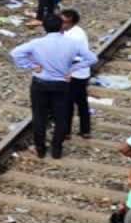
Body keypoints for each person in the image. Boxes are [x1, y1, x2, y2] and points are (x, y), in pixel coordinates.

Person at [9, 15, 98, 159]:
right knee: (61, 117)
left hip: (40, 83)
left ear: (44, 27)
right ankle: (57, 149)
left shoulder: (37, 43)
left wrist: (31, 66)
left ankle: (40, 149)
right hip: (61, 84)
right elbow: (92, 58)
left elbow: (15, 53)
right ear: (61, 26)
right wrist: (72, 69)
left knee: (39, 117)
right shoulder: (72, 43)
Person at [61, 9, 92, 139]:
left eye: (64, 22)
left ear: (70, 22)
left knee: (68, 103)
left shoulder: (72, 36)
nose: (61, 24)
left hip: (75, 74)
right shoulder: (77, 31)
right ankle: (85, 130)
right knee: (82, 102)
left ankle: (65, 131)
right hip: (82, 73)